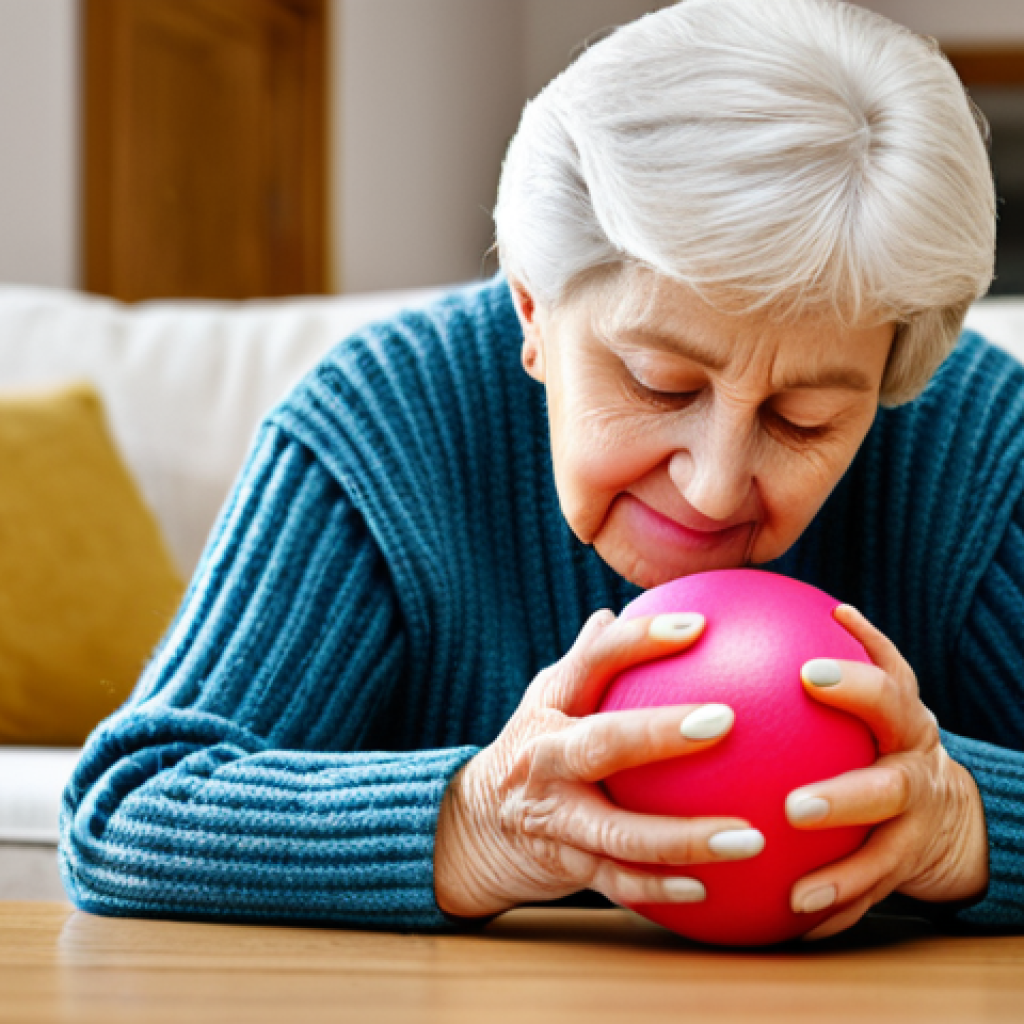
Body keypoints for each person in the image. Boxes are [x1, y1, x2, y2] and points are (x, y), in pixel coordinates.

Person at [60, 0, 1024, 941]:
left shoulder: (976, 442)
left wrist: (963, 818)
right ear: (532, 308)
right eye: (658, 382)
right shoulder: (388, 419)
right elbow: (126, 808)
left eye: (804, 417)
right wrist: (475, 818)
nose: (716, 485)